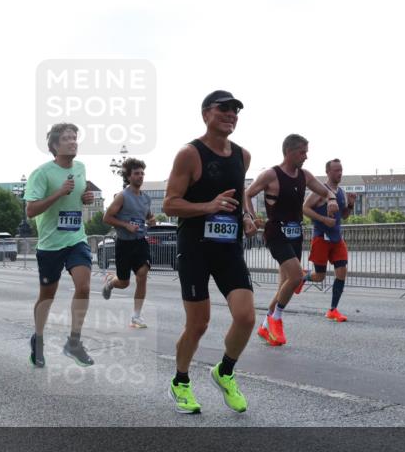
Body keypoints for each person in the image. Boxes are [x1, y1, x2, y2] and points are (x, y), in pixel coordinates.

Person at [162, 90, 257, 415]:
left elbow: (238, 196)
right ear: (206, 114)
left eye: (235, 110)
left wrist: (244, 217)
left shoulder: (243, 156)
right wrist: (209, 206)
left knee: (245, 317)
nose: (231, 114)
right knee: (199, 324)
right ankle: (181, 381)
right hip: (195, 249)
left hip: (229, 248)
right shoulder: (190, 154)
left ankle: (225, 372)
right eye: (224, 109)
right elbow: (169, 204)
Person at [246, 134, 338, 346]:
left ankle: (264, 326)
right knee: (296, 276)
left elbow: (325, 191)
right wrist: (250, 217)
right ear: (289, 152)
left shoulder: (304, 175)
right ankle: (275, 318)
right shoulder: (271, 174)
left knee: (285, 286)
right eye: (302, 152)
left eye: (306, 152)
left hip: (296, 234)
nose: (306, 156)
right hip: (275, 232)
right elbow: (247, 194)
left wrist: (332, 200)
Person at [23, 122, 96, 368]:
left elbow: (78, 200)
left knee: (84, 287)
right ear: (54, 145)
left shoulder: (81, 168)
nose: (73, 141)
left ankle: (74, 341)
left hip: (76, 239)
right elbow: (31, 210)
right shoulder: (42, 173)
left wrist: (86, 199)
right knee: (47, 297)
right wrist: (59, 193)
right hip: (51, 244)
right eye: (67, 138)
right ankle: (39, 338)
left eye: (75, 137)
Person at [101, 158, 155, 328]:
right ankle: (110, 282)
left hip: (140, 242)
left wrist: (152, 220)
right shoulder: (122, 196)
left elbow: (147, 215)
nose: (140, 176)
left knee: (142, 274)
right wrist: (125, 225)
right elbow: (107, 218)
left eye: (142, 173)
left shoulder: (146, 198)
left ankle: (136, 316)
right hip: (124, 244)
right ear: (128, 177)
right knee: (124, 283)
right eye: (136, 174)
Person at [303, 158, 355, 321]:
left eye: (341, 170)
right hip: (321, 238)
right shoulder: (321, 190)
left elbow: (344, 216)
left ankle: (333, 309)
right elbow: (304, 208)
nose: (339, 173)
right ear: (328, 172)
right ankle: (302, 276)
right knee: (320, 276)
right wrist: (323, 219)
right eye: (336, 170)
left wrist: (351, 205)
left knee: (342, 272)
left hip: (337, 238)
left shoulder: (341, 193)